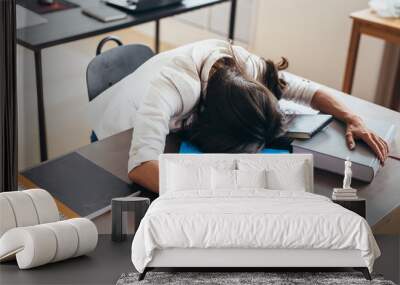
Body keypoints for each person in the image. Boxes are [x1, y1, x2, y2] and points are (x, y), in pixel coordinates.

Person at [89, 39, 389, 194]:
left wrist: (353, 118)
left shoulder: (248, 70)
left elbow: (308, 91)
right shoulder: (172, 87)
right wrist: (218, 190)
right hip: (117, 135)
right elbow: (141, 167)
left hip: (171, 127)